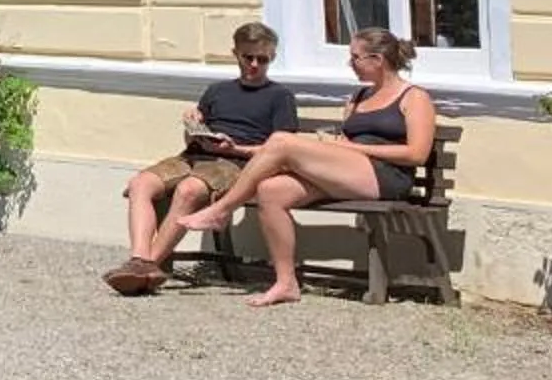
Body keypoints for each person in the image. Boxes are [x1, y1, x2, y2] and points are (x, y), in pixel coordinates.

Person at [150, 27, 440, 308]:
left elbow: (416, 154)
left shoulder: (414, 97)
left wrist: (351, 148)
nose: (350, 64)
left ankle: (221, 210)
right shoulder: (358, 97)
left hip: (387, 177)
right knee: (271, 190)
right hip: (350, 171)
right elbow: (346, 142)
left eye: (355, 57)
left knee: (281, 141)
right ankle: (286, 283)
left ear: (377, 60)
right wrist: (334, 145)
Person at [102, 22, 300, 294]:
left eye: (262, 59)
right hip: (194, 155)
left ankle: (148, 265)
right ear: (236, 54)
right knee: (140, 183)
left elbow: (282, 150)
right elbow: (190, 140)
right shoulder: (217, 91)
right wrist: (193, 126)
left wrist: (236, 149)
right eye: (248, 57)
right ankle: (139, 260)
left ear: (272, 57)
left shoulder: (280, 97)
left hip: (237, 163)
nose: (254, 65)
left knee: (189, 190)